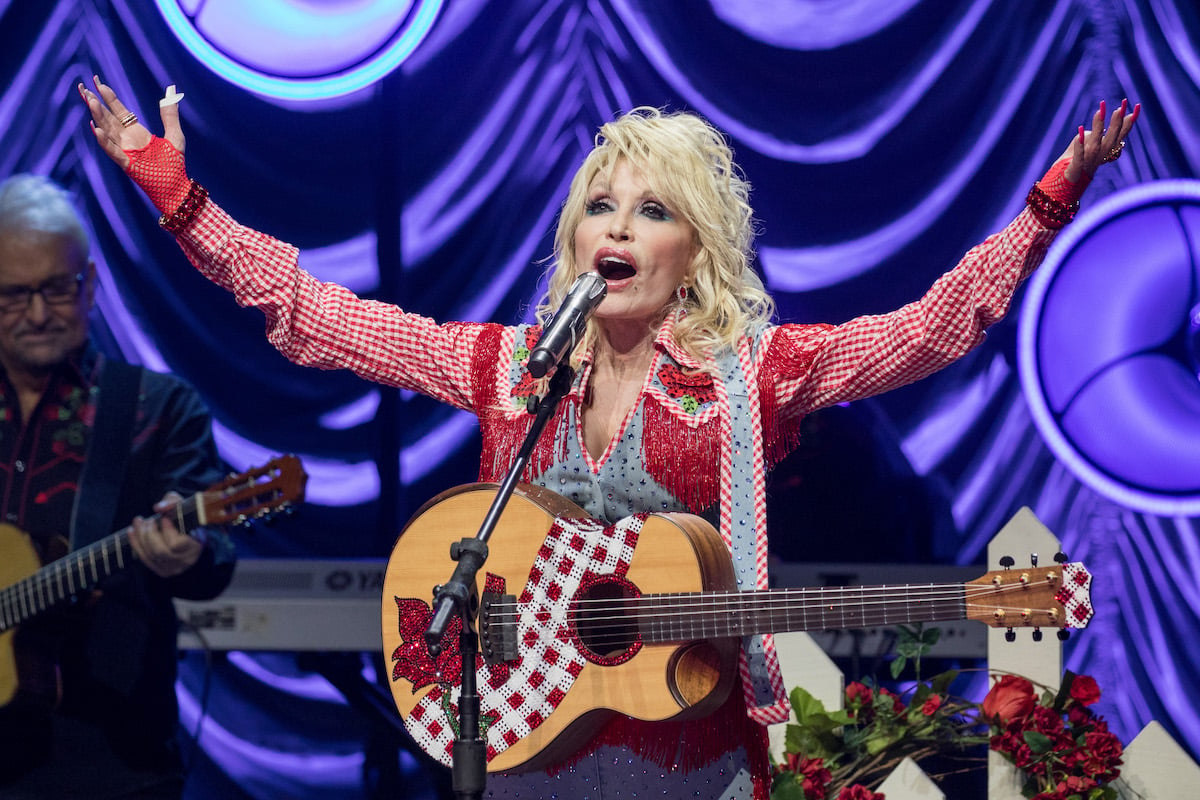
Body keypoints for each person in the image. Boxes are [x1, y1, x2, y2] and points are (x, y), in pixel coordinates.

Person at [78, 76, 1137, 800]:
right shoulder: (511, 368)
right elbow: (318, 315)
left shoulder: (755, 374)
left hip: (693, 746)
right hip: (522, 738)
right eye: (601, 204)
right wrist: (174, 193)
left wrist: (1048, 206)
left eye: (654, 210)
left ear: (698, 251)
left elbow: (935, 326)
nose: (619, 226)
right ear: (575, 239)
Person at [0, 173, 236, 799]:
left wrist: (189, 550)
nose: (39, 313)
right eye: (13, 296)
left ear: (92, 285)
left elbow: (212, 557)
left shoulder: (156, 409)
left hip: (111, 762)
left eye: (57, 288)